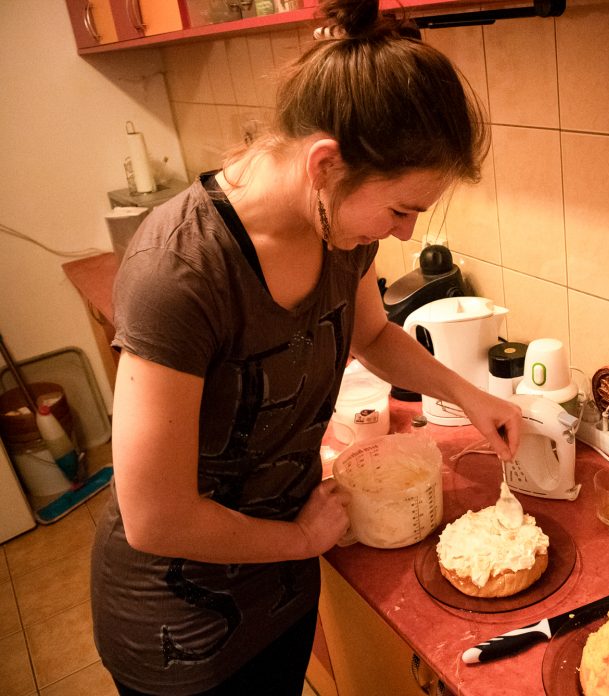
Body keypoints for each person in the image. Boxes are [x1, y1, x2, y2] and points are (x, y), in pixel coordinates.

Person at [90, 1, 521, 693]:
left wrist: (469, 394)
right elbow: (154, 515)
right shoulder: (182, 271)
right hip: (183, 632)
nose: (406, 234)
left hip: (284, 586)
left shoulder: (341, 236)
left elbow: (372, 335)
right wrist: (298, 539)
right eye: (401, 208)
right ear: (325, 164)